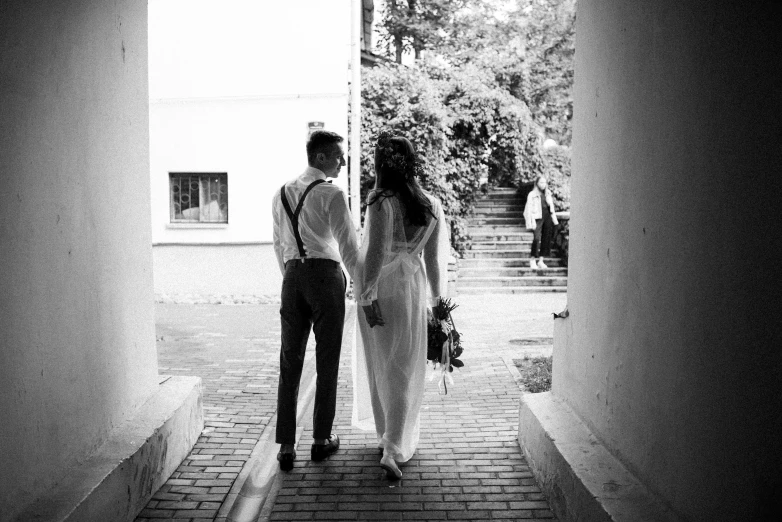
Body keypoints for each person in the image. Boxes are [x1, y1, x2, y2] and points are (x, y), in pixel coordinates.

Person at [353, 134, 450, 480]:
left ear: (381, 165)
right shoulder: (432, 205)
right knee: (405, 367)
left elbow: (377, 254)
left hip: (382, 290)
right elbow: (435, 262)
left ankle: (389, 444)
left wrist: (366, 297)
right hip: (412, 291)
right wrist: (440, 308)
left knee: (382, 364)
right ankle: (393, 441)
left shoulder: (381, 201)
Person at [272, 130, 360, 471]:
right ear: (321, 157)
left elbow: (278, 244)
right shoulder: (332, 194)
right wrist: (360, 286)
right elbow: (349, 247)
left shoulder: (280, 193)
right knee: (327, 360)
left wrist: (292, 276)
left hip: (292, 278)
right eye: (339, 155)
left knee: (289, 361)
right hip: (325, 278)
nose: (343, 161)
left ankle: (286, 446)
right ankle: (321, 440)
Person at [523, 175, 559, 269]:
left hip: (547, 217)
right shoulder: (532, 194)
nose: (543, 185)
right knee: (536, 239)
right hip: (537, 218)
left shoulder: (548, 193)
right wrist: (531, 221)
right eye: (541, 182)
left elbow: (551, 208)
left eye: (544, 182)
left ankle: (541, 260)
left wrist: (555, 220)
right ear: (537, 183)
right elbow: (528, 209)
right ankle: (532, 260)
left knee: (546, 239)